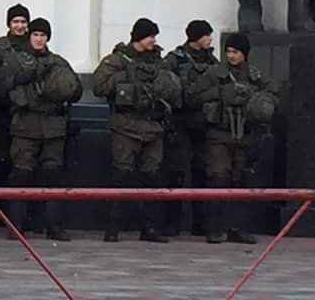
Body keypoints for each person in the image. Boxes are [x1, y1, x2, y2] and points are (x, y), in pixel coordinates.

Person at [92, 18, 181, 243]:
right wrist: (127, 77)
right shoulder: (117, 60)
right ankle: (112, 228)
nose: (154, 40)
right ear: (139, 38)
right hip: (126, 127)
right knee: (121, 176)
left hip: (154, 128)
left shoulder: (160, 63)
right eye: (150, 36)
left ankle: (150, 228)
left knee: (153, 178)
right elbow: (99, 86)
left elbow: (174, 91)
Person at [0, 18, 81, 240]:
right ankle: (16, 227)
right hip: (25, 125)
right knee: (21, 175)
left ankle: (53, 226)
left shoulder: (59, 62)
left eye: (43, 35)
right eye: (36, 34)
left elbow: (76, 91)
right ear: (29, 36)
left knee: (53, 177)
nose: (39, 39)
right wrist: (16, 80)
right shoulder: (15, 61)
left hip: (54, 126)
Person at [186, 33, 278, 244]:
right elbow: (192, 96)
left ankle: (237, 228)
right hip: (219, 135)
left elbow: (274, 96)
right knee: (218, 178)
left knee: (241, 182)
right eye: (228, 52)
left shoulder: (255, 75)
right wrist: (220, 92)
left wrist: (255, 98)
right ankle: (214, 228)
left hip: (245, 136)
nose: (231, 56)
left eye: (235, 52)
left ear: (244, 54)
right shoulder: (214, 74)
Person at [163, 20, 218, 236]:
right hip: (180, 121)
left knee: (202, 172)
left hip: (203, 122)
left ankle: (200, 222)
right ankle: (172, 222)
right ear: (196, 37)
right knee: (176, 171)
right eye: (206, 35)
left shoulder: (213, 62)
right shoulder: (174, 59)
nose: (210, 39)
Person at [0, 4, 30, 232]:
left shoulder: (34, 47)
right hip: (0, 115)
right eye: (15, 22)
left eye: (23, 22)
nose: (19, 26)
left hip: (26, 116)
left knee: (20, 167)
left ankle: (17, 217)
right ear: (8, 24)